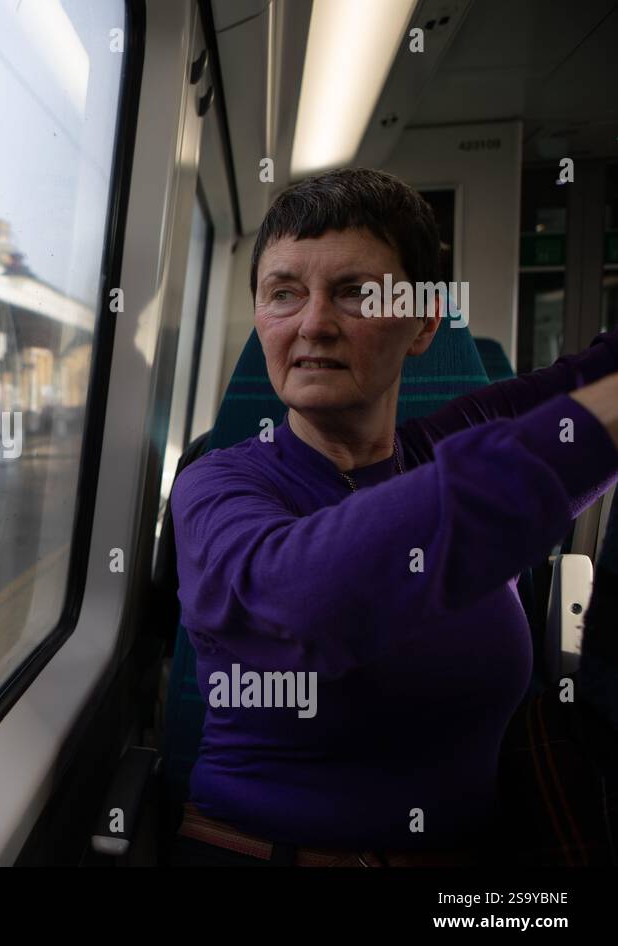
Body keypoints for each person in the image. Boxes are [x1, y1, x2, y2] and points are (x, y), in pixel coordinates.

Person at [170, 167, 618, 865]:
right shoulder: (219, 486)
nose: (314, 322)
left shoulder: (444, 447)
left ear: (424, 321)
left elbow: (595, 380)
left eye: (354, 292)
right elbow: (304, 601)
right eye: (284, 292)